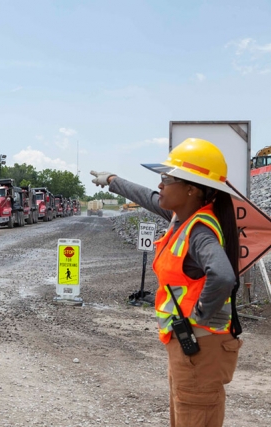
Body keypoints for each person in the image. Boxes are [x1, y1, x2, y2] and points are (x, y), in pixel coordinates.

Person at [91, 138, 243, 427]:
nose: (160, 185)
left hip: (201, 343)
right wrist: (113, 180)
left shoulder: (199, 232)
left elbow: (223, 277)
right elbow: (147, 196)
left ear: (191, 189)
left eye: (166, 178)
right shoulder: (181, 218)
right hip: (189, 343)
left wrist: (197, 317)